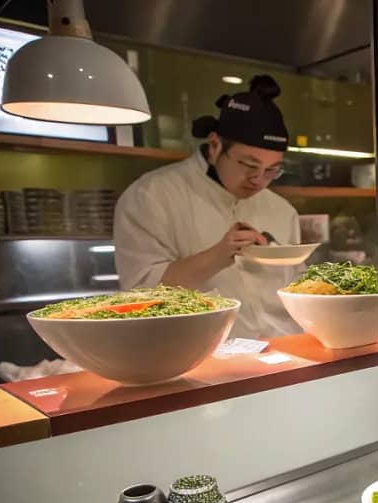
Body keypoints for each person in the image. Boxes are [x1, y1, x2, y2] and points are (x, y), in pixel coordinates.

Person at [114, 74, 301, 338]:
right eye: (249, 165)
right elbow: (139, 295)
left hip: (284, 350)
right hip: (198, 357)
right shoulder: (152, 196)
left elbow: (297, 286)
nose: (258, 180)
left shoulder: (282, 210)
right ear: (214, 145)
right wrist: (217, 255)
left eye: (271, 170)